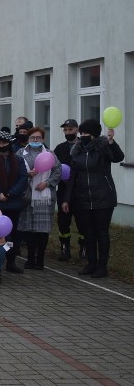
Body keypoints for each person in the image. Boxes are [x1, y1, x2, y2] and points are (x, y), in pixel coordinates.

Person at [61, 119, 124, 279]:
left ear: (95, 135)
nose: (83, 136)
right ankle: (91, 263)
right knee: (88, 233)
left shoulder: (103, 148)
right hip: (82, 198)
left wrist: (111, 141)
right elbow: (73, 177)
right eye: (81, 133)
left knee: (101, 232)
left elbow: (118, 157)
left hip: (103, 198)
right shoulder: (77, 151)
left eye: (86, 133)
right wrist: (66, 199)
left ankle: (102, 267)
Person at [0, 131, 29, 274]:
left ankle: (11, 261)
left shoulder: (19, 160)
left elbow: (23, 179)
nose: (1, 145)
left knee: (12, 234)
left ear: (9, 144)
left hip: (13, 203)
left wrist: (10, 193)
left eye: (4, 143)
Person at [17, 127, 61, 270]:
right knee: (28, 229)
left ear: (43, 139)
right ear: (28, 139)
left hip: (45, 197)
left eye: (38, 138)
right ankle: (30, 258)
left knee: (42, 230)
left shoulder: (50, 154)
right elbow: (16, 171)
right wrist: (27, 174)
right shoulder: (20, 153)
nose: (35, 140)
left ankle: (40, 259)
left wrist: (47, 183)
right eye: (32, 138)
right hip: (27, 196)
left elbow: (58, 171)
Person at [54, 119, 81, 260]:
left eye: (70, 130)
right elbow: (55, 168)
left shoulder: (84, 146)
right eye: (65, 130)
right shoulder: (60, 148)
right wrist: (61, 178)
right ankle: (65, 248)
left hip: (80, 191)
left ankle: (84, 248)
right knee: (63, 221)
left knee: (82, 221)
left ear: (76, 130)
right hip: (64, 191)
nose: (67, 132)